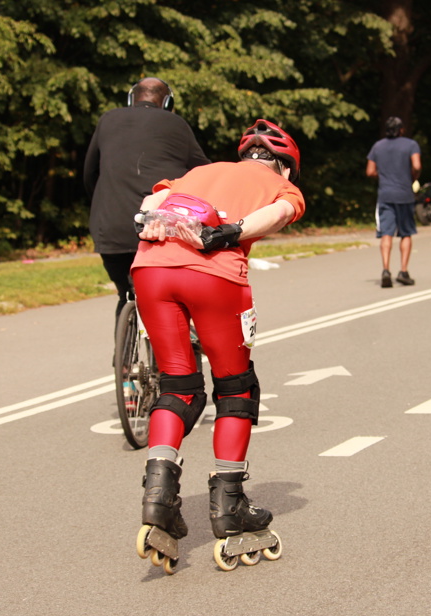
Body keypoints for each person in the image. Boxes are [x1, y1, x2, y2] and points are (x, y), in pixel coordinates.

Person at [131, 119, 305, 572]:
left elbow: (151, 203)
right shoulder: (281, 184)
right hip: (214, 275)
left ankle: (158, 496)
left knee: (179, 385)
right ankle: (230, 505)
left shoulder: (198, 171)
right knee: (236, 388)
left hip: (149, 270)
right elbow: (278, 214)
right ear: (286, 166)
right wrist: (233, 230)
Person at [83, 77, 209, 323]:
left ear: (132, 98)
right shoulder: (176, 124)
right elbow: (203, 172)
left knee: (126, 294)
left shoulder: (107, 119)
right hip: (160, 227)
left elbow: (89, 174)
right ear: (167, 102)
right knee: (171, 296)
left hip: (111, 227)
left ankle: (125, 344)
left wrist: (105, 205)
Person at [366, 116, 421, 287]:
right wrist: (413, 176)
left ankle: (386, 270)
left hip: (385, 195)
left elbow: (370, 171)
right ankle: (403, 271)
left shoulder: (378, 146)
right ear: (401, 129)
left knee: (386, 233)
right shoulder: (411, 145)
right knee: (406, 233)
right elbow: (417, 166)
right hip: (405, 194)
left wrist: (382, 175)